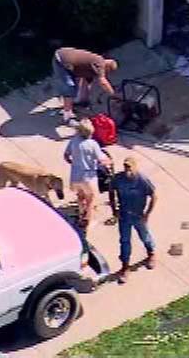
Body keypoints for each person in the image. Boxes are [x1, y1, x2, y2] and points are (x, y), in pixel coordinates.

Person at [108, 155, 157, 283]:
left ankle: (151, 253)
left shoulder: (142, 180)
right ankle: (125, 266)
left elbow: (154, 195)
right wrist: (114, 209)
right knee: (124, 241)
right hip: (124, 215)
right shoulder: (118, 179)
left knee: (144, 236)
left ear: (135, 167)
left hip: (138, 215)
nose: (127, 169)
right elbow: (111, 191)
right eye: (125, 166)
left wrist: (147, 213)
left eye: (129, 167)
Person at [63, 119, 109, 226]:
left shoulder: (73, 141)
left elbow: (66, 156)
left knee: (80, 195)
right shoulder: (93, 144)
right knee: (91, 199)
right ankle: (87, 220)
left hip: (75, 176)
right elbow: (101, 160)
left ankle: (80, 214)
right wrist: (108, 161)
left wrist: (73, 163)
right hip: (88, 177)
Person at [53, 47, 118, 121]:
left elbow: (87, 81)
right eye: (108, 72)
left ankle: (76, 101)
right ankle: (67, 114)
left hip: (71, 63)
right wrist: (113, 95)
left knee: (79, 82)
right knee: (70, 87)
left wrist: (84, 99)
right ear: (107, 67)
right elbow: (103, 82)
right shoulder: (99, 63)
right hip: (61, 60)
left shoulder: (92, 67)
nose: (106, 73)